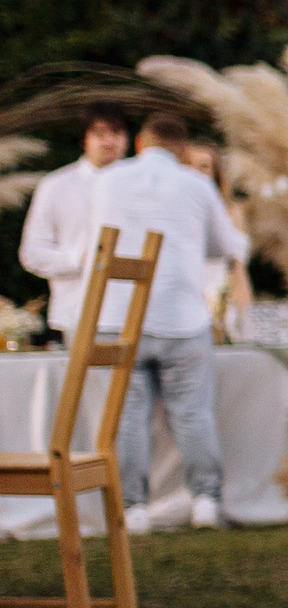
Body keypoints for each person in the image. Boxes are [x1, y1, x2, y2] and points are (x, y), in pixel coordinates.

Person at [88, 112, 249, 532]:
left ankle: (134, 509)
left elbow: (93, 241)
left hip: (119, 316)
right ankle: (205, 503)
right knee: (193, 414)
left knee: (128, 417)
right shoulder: (196, 185)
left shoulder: (106, 180)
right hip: (181, 318)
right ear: (181, 150)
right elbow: (223, 247)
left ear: (140, 143)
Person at [18, 102, 128, 341]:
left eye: (117, 133)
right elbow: (32, 253)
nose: (109, 141)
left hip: (137, 314)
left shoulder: (143, 186)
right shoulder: (56, 186)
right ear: (84, 139)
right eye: (100, 134)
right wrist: (81, 259)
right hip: (76, 312)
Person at [177, 140, 255, 338]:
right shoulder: (172, 213)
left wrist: (247, 320)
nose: (195, 172)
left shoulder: (230, 213)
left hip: (219, 308)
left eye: (203, 166)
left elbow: (237, 270)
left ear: (215, 174)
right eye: (188, 165)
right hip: (180, 307)